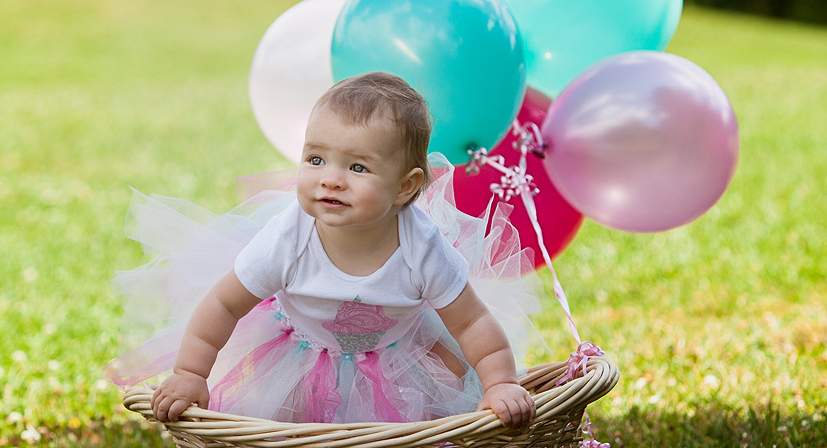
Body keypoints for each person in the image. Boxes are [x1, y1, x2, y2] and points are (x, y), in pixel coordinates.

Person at [110, 72, 542, 428]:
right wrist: (191, 374)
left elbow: (472, 322)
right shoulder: (288, 238)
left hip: (400, 353)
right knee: (296, 440)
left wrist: (500, 382)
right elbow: (223, 304)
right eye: (316, 159)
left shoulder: (422, 246)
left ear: (405, 187)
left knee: (411, 442)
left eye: (357, 167)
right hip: (302, 351)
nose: (330, 179)